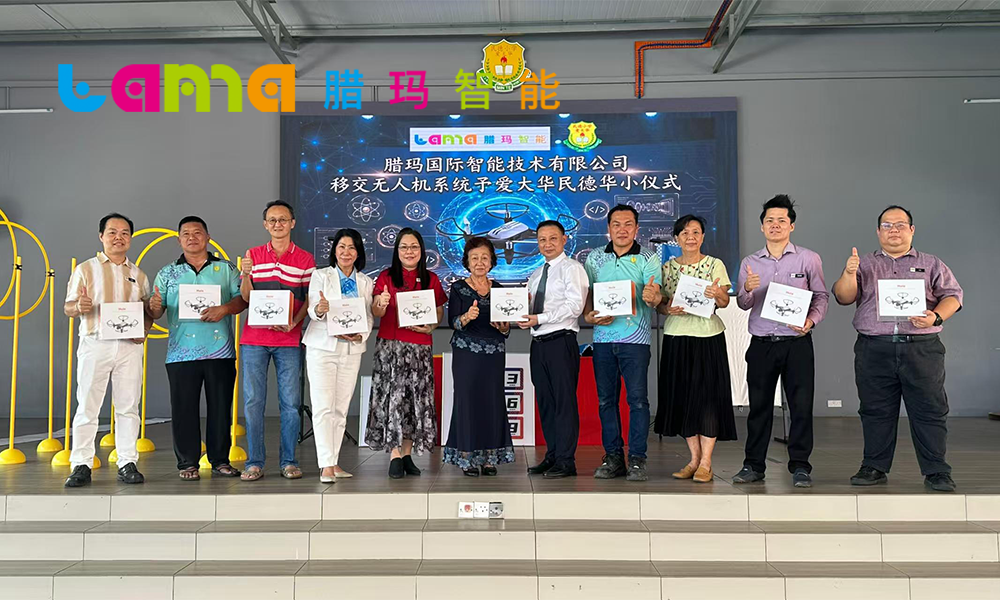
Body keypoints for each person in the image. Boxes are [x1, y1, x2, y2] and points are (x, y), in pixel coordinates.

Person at [832, 206, 963, 492]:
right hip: (874, 348)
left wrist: (936, 316)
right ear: (878, 231)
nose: (894, 230)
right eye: (887, 225)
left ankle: (937, 471)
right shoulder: (864, 263)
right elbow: (843, 297)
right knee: (875, 410)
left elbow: (953, 296)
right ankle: (874, 466)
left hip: (922, 348)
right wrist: (848, 272)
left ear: (912, 230)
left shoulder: (931, 263)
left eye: (900, 225)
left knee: (930, 410)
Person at [734, 195, 829, 488]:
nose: (775, 225)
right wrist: (747, 289)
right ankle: (753, 465)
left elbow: (821, 296)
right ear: (762, 227)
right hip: (762, 343)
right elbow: (743, 304)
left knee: (801, 406)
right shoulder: (750, 262)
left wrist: (810, 321)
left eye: (781, 220)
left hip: (797, 342)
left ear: (792, 226)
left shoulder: (808, 258)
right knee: (759, 408)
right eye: (769, 221)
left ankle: (800, 466)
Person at [147, 216, 247, 481]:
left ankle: (220, 460)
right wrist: (153, 306)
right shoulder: (167, 273)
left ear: (208, 237)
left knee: (220, 408)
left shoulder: (226, 269)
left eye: (197, 232)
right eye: (186, 234)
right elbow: (156, 311)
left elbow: (242, 300)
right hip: (180, 353)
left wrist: (224, 309)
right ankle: (187, 463)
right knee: (184, 409)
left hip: (220, 351)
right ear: (179, 240)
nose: (192, 238)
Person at [63, 213, 153, 488]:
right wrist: (78, 307)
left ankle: (127, 462)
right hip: (95, 343)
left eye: (124, 233)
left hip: (129, 347)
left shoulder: (138, 274)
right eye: (112, 232)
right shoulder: (85, 269)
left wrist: (143, 331)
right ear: (101, 236)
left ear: (130, 238)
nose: (118, 237)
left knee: (129, 406)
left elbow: (148, 311)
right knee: (88, 405)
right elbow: (68, 307)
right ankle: (81, 464)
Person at [653, 215, 736, 483]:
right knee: (683, 398)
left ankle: (707, 462)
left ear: (702, 237)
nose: (690, 237)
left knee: (708, 399)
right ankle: (694, 460)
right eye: (685, 233)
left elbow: (724, 301)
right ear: (676, 238)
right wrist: (667, 308)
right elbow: (661, 304)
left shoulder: (714, 264)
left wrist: (717, 294)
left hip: (708, 337)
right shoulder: (667, 268)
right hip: (676, 336)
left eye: (696, 232)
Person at [583, 205, 662, 482]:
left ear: (637, 229)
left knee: (637, 401)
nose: (622, 229)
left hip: (635, 341)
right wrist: (588, 315)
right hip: (603, 340)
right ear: (608, 228)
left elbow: (655, 296)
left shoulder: (648, 257)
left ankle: (637, 458)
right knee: (606, 401)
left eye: (628, 224)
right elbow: (588, 295)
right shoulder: (594, 258)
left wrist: (653, 297)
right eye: (616, 224)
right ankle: (613, 457)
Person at [239, 200, 316, 482]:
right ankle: (254, 462)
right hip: (254, 339)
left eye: (283, 219)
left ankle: (289, 461)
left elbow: (309, 299)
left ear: (292, 223)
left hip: (289, 340)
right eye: (272, 220)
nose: (278, 224)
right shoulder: (252, 255)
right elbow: (246, 298)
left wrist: (294, 323)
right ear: (265, 224)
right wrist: (246, 273)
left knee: (291, 404)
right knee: (253, 402)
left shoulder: (305, 259)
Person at [366, 228, 447, 479]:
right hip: (390, 347)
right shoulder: (386, 276)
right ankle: (394, 455)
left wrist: (431, 326)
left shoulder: (431, 278)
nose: (409, 251)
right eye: (404, 247)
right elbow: (377, 311)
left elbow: (438, 311)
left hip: (420, 347)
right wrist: (380, 302)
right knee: (392, 400)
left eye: (414, 247)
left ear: (421, 250)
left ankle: (408, 454)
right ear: (397, 250)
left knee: (414, 402)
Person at [303, 229, 374, 483]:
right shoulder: (321, 276)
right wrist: (320, 309)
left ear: (358, 252)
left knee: (340, 409)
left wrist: (360, 335)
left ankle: (333, 461)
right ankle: (325, 465)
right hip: (323, 348)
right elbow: (313, 309)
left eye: (352, 247)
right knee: (323, 407)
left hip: (351, 350)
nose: (346, 252)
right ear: (334, 250)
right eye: (342, 247)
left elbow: (368, 315)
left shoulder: (365, 282)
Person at [520, 220, 588, 479]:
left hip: (561, 341)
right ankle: (553, 455)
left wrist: (540, 318)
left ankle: (566, 461)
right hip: (538, 344)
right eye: (542, 240)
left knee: (564, 403)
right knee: (546, 403)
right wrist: (518, 312)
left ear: (564, 240)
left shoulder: (573, 269)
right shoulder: (536, 274)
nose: (547, 244)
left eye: (553, 238)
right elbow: (528, 307)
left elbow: (575, 306)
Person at [443, 237, 515, 477]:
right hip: (466, 354)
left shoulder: (500, 290)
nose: (480, 262)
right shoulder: (458, 288)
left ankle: (490, 458)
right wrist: (467, 316)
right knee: (467, 402)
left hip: (494, 354)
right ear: (467, 262)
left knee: (492, 402)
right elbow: (453, 322)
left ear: (492, 261)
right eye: (475, 258)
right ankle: (467, 458)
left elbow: (506, 328)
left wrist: (504, 326)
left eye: (484, 258)